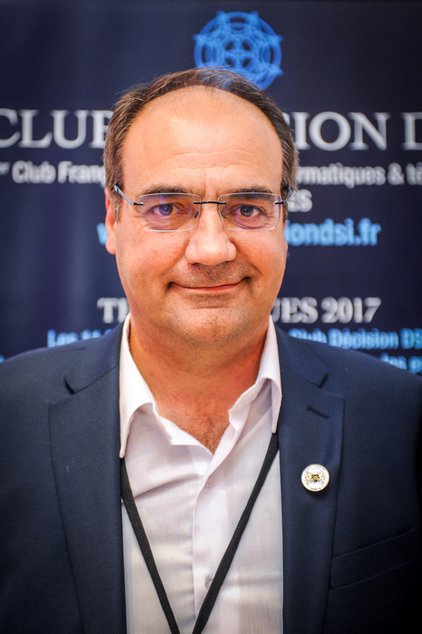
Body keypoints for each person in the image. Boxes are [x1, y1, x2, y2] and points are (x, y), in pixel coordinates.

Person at [0, 68, 420, 634]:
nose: (212, 249)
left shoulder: (399, 418)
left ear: (283, 220)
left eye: (247, 208)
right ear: (113, 219)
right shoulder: (9, 419)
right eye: (167, 208)